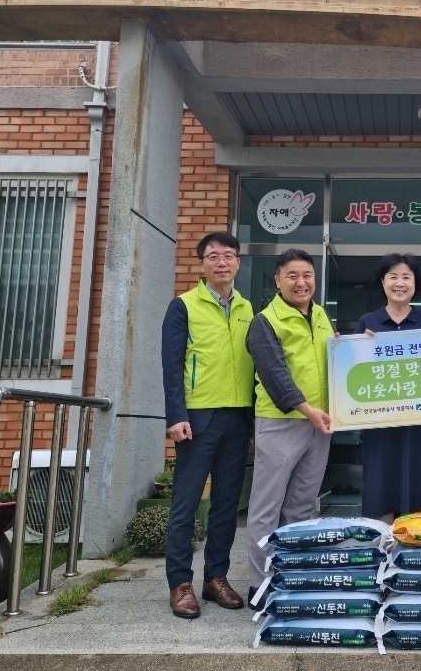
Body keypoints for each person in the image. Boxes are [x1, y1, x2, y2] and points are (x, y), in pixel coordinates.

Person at [161, 232, 255, 619]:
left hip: (238, 416)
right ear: (201, 264)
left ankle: (216, 578)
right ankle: (179, 583)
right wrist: (176, 415)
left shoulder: (249, 308)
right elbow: (171, 365)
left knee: (227, 505)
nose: (222, 262)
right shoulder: (183, 305)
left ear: (237, 263)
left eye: (229, 255)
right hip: (197, 418)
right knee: (186, 502)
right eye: (213, 256)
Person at [245, 248, 335, 608]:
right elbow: (274, 375)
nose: (302, 283)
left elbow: (337, 358)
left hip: (319, 426)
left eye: (307, 276)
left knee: (300, 508)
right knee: (267, 507)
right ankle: (261, 586)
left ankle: (292, 576)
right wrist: (306, 409)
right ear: (278, 281)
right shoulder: (265, 321)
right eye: (293, 276)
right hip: (281, 423)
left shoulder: (321, 316)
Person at [354, 253, 421, 523]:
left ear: (415, 283)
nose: (399, 283)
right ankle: (384, 548)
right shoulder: (368, 323)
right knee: (382, 484)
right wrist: (351, 347)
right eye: (393, 276)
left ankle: (415, 553)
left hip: (420, 424)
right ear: (383, 282)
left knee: (418, 486)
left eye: (406, 277)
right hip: (380, 425)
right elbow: (353, 374)